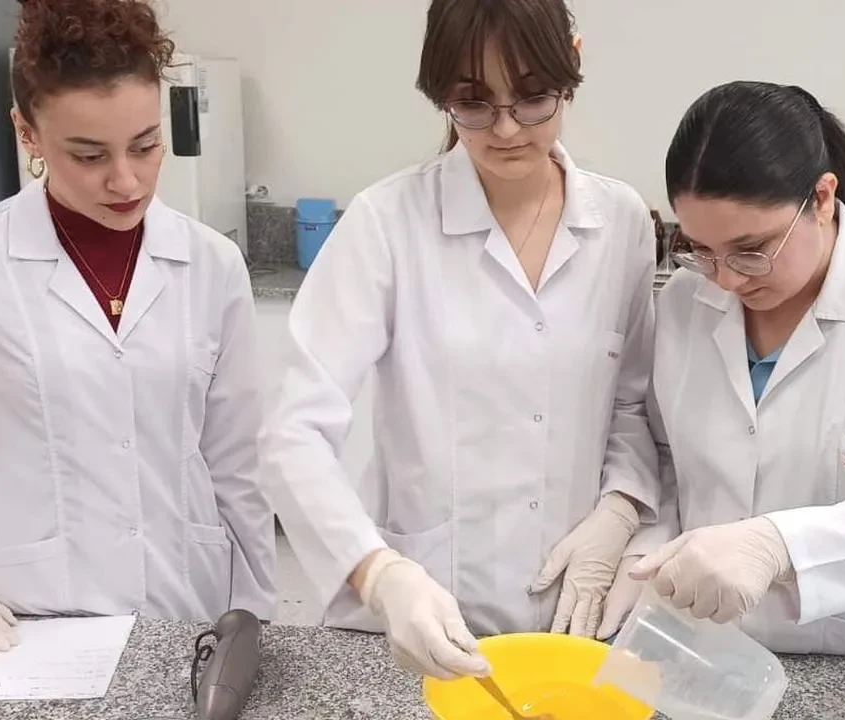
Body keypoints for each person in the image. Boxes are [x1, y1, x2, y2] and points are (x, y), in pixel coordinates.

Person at [262, 0, 661, 680]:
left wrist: (620, 509)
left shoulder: (620, 221)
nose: (505, 128)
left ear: (572, 64)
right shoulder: (388, 222)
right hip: (424, 614)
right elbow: (291, 432)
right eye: (473, 103)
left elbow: (630, 403)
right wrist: (378, 573)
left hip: (571, 615)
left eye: (532, 97)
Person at [0, 0, 277, 654]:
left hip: (186, 602)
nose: (126, 180)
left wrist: (255, 609)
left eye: (145, 145)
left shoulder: (211, 263)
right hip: (25, 615)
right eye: (88, 155)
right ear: (26, 133)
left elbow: (235, 457)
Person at [606, 81, 845, 661]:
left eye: (752, 249)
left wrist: (776, 545)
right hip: (708, 647)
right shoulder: (687, 299)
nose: (727, 279)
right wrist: (641, 549)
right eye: (701, 249)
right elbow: (668, 458)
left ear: (822, 197)